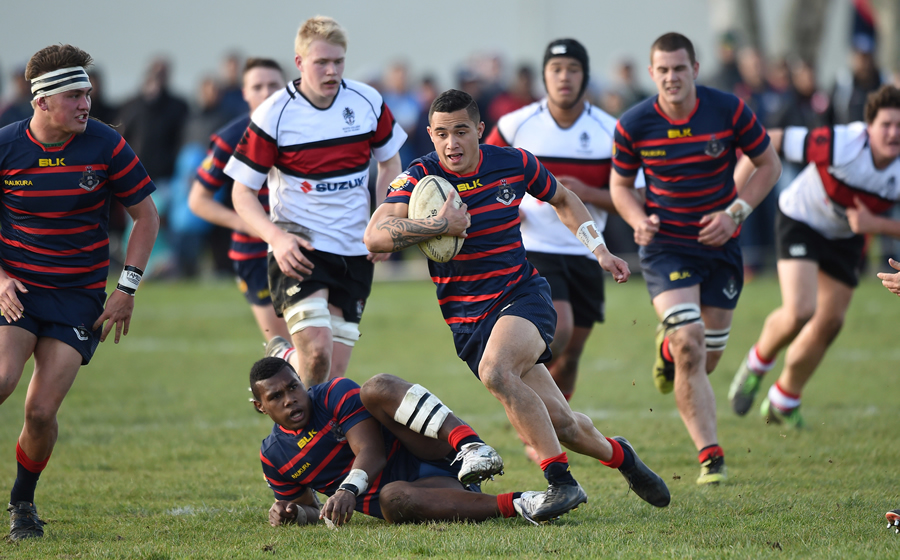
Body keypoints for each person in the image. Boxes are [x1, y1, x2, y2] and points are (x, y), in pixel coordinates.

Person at [365, 88, 671, 523]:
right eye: (441, 134)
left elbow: (563, 198)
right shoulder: (419, 177)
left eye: (461, 132)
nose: (451, 144)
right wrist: (438, 224)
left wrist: (599, 249)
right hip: (467, 321)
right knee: (563, 424)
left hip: (522, 296)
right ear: (430, 136)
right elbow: (374, 236)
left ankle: (560, 484)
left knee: (497, 371)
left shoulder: (514, 162)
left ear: (480, 131)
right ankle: (622, 457)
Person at [0, 44, 159, 540]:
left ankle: (22, 503)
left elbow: (146, 217)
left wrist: (126, 287)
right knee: (1, 380)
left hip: (78, 296)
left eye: (88, 92)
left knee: (41, 410)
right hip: (17, 288)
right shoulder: (5, 146)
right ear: (41, 101)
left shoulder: (106, 144)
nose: (86, 103)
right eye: (74, 95)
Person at [609, 32, 781, 485]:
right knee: (691, 340)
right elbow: (620, 188)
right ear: (651, 74)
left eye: (679, 68)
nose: (671, 78)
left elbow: (769, 165)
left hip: (722, 247)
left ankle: (668, 350)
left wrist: (734, 214)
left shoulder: (728, 110)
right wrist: (636, 219)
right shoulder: (634, 123)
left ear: (695, 70)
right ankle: (711, 456)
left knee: (704, 358)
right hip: (667, 247)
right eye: (662, 70)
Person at [225, 16, 406, 389]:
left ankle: (286, 360)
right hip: (299, 246)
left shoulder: (367, 101)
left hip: (355, 249)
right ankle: (300, 437)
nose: (331, 70)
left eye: (338, 61)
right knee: (318, 351)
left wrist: (385, 218)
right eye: (321, 62)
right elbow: (241, 193)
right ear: (299, 62)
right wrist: (276, 239)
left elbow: (390, 162)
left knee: (333, 375)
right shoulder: (274, 113)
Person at [728, 85, 900, 428]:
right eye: (886, 125)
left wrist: (874, 224)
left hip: (846, 235)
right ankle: (757, 363)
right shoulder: (843, 143)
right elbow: (766, 141)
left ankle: (783, 400)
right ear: (868, 127)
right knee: (801, 310)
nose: (894, 133)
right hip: (801, 219)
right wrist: (733, 202)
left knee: (831, 322)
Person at [485, 38, 626, 406]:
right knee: (557, 330)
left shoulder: (611, 131)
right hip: (534, 248)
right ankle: (533, 416)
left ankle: (556, 422)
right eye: (556, 69)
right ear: (544, 76)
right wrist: (503, 207)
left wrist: (589, 194)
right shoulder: (516, 125)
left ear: (585, 76)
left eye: (573, 69)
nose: (564, 77)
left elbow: (634, 198)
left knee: (572, 354)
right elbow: (482, 173)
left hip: (589, 250)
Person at [251, 357, 545, 526]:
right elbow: (312, 509)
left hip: (430, 453)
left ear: (303, 383)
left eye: (293, 387)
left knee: (376, 387)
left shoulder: (332, 394)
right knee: (392, 499)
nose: (290, 399)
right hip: (429, 494)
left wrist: (346, 490)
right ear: (260, 407)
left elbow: (372, 451)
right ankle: (522, 503)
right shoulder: (275, 457)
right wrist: (294, 513)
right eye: (276, 397)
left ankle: (470, 445)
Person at [187, 58, 298, 367]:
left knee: (318, 343)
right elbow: (198, 200)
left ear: (288, 89)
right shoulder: (231, 137)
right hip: (255, 256)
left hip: (306, 248)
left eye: (273, 85)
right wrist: (249, 224)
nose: (265, 92)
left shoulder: (306, 131)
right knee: (285, 349)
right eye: (257, 86)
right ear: (244, 93)